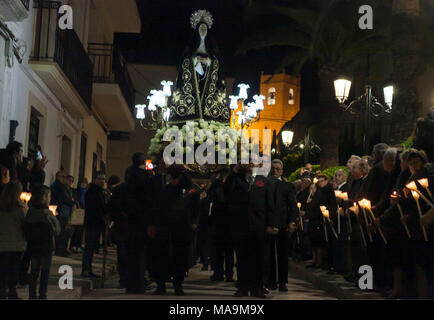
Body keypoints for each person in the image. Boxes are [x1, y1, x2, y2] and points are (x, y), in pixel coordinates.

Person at [224, 161, 276, 298]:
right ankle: (242, 288)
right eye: (247, 163)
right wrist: (234, 171)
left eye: (252, 163)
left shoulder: (264, 181)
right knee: (242, 259)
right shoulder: (236, 179)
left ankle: (257, 288)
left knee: (259, 259)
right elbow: (226, 190)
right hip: (241, 226)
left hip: (259, 226)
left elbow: (270, 205)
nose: (249, 166)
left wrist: (270, 224)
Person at [148, 162, 199, 295]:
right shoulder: (156, 180)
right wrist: (151, 223)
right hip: (161, 223)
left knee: (179, 255)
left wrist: (183, 170)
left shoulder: (182, 179)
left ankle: (178, 284)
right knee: (160, 255)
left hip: (180, 224)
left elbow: (189, 187)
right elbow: (151, 201)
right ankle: (160, 284)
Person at [24, 185, 60, 300]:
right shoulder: (46, 214)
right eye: (49, 196)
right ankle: (42, 295)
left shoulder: (30, 212)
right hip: (46, 247)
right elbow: (56, 230)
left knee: (34, 272)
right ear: (44, 197)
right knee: (44, 273)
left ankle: (32, 295)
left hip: (33, 247)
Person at [267, 159, 297, 292]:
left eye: (278, 169)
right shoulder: (265, 184)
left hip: (283, 225)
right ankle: (271, 281)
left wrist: (292, 221)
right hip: (268, 225)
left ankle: (283, 282)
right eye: (273, 168)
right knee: (269, 255)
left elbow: (293, 206)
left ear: (282, 171)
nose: (275, 171)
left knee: (283, 255)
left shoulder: (287, 186)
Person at [124, 153, 153, 294]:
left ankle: (131, 284)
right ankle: (139, 284)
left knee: (131, 254)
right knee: (141, 255)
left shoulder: (129, 176)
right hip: (141, 220)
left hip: (130, 220)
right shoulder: (144, 178)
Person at [0, 181, 28, 300]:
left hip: (2, 243)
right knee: (13, 270)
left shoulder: (1, 207)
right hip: (16, 244)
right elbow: (26, 225)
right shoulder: (21, 208)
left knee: (2, 270)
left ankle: (2, 292)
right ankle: (12, 293)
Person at [208, 168, 234, 282]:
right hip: (219, 221)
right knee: (219, 250)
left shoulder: (230, 184)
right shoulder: (217, 185)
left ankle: (228, 274)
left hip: (227, 221)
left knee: (227, 251)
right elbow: (211, 195)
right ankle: (219, 273)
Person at [305, 175, 337, 269]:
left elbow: (326, 204)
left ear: (326, 181)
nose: (320, 183)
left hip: (320, 219)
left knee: (319, 243)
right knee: (314, 242)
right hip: (314, 218)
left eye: (322, 181)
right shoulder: (319, 192)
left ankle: (320, 261)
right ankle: (315, 260)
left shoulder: (328, 191)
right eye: (319, 182)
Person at [81, 172, 108, 278]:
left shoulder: (101, 192)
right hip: (92, 223)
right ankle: (86, 269)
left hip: (97, 223)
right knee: (89, 247)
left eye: (104, 179)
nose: (102, 181)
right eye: (100, 178)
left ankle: (88, 268)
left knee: (92, 248)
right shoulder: (92, 192)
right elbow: (96, 207)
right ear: (95, 179)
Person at [50, 171, 75, 256]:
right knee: (61, 232)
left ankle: (63, 249)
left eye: (65, 176)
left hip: (64, 212)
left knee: (65, 232)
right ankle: (60, 250)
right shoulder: (57, 187)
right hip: (60, 212)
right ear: (58, 177)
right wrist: (72, 203)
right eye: (63, 177)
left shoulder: (63, 187)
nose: (65, 178)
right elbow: (62, 198)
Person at [70, 178, 88, 253]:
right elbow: (76, 200)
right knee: (77, 229)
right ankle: (74, 245)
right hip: (79, 211)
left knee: (80, 229)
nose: (83, 184)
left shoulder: (86, 192)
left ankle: (78, 245)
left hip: (84, 211)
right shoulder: (77, 191)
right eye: (82, 183)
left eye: (85, 183)